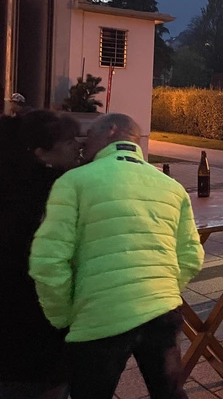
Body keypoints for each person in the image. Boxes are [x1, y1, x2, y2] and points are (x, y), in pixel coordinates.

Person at [29, 113, 204, 399]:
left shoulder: (73, 182)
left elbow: (48, 261)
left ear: (111, 130)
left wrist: (63, 315)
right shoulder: (172, 187)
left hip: (98, 317)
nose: (83, 145)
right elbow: (191, 256)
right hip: (162, 312)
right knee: (170, 394)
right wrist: (160, 289)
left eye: (88, 137)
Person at [0, 111, 80, 399]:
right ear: (41, 152)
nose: (77, 146)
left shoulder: (11, 181)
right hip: (39, 314)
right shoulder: (56, 190)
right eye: (68, 141)